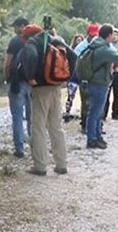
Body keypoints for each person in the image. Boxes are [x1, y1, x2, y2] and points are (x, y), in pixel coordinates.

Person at [20, 23, 77, 176]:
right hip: (56, 87)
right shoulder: (57, 41)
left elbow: (31, 55)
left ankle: (40, 166)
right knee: (56, 126)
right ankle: (61, 164)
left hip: (40, 89)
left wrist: (31, 77)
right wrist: (67, 78)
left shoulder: (33, 42)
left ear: (29, 36)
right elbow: (74, 56)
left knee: (38, 127)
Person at [83, 24, 118, 149]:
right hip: (99, 83)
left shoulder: (96, 45)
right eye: (112, 34)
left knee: (96, 112)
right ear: (109, 35)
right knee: (95, 112)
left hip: (94, 82)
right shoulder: (103, 49)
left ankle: (97, 136)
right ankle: (92, 139)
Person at [4, 17, 31, 158]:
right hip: (33, 84)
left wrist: (8, 79)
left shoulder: (15, 41)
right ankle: (36, 145)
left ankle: (19, 148)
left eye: (15, 26)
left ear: (22, 26)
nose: (14, 29)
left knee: (17, 117)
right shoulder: (35, 40)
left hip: (17, 83)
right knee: (33, 117)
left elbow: (8, 63)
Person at [75, 23, 101, 133]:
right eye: (92, 35)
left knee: (97, 104)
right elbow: (75, 61)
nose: (93, 37)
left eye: (96, 35)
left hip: (96, 79)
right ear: (87, 34)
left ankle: (96, 127)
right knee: (85, 103)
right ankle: (84, 125)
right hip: (85, 79)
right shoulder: (81, 47)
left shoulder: (101, 45)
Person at [64, 34, 85, 121]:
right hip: (73, 76)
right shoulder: (70, 51)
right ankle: (67, 112)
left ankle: (83, 115)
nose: (79, 42)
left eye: (81, 40)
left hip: (82, 75)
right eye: (77, 40)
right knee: (70, 96)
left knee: (83, 97)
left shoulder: (85, 50)